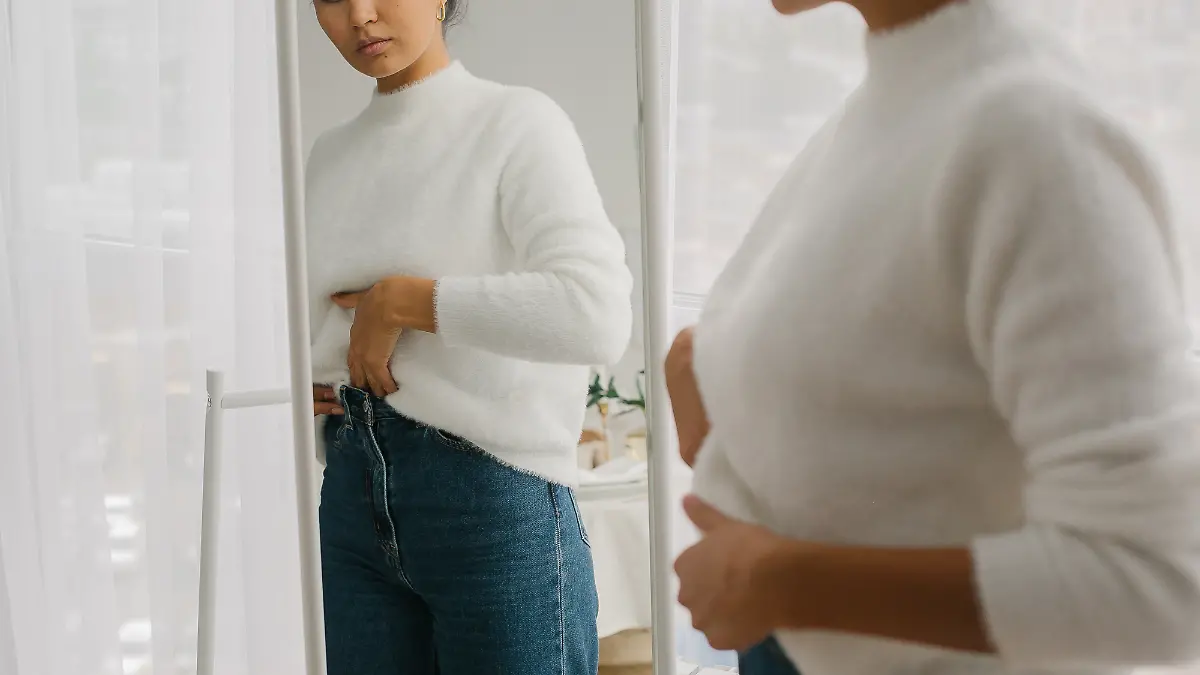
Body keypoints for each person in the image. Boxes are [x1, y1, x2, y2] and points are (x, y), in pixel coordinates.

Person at [666, 1, 1200, 674]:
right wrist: (710, 376)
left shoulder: (1034, 135)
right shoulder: (892, 101)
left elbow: (1158, 584)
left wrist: (785, 582)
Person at [304, 1, 634, 673]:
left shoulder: (516, 122)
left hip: (490, 498)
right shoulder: (327, 155)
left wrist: (405, 301)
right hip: (350, 498)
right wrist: (304, 380)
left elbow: (596, 310)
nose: (360, 16)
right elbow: (316, 316)